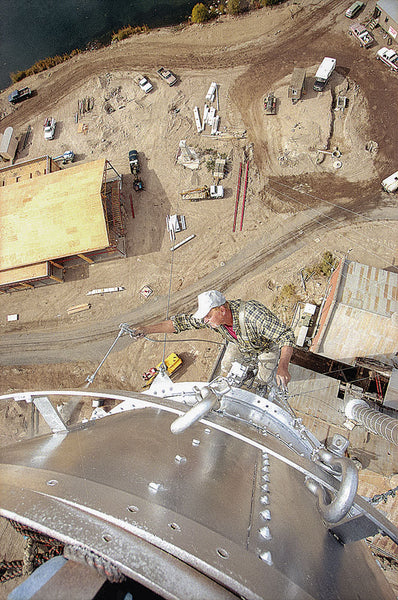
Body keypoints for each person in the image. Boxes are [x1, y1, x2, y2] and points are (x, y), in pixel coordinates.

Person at [134, 290, 296, 388]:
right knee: (226, 365)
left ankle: (260, 384)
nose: (205, 321)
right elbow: (179, 324)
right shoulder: (216, 319)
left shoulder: (252, 315)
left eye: (208, 316)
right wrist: (146, 330)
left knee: (263, 378)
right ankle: (246, 374)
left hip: (265, 348)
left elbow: (285, 336)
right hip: (240, 343)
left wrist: (283, 366)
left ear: (222, 310)